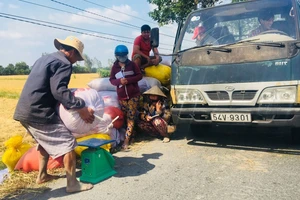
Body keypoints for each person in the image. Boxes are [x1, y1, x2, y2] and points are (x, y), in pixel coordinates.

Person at [13, 36, 94, 193]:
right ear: (71, 52)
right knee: (68, 144)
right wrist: (81, 107)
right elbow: (60, 91)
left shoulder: (45, 59)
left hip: (24, 110)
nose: (76, 61)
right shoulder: (64, 63)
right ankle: (72, 184)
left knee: (44, 142)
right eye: (77, 57)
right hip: (39, 112)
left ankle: (42, 175)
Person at [109, 45, 143, 151]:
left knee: (131, 117)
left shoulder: (132, 65)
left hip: (133, 95)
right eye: (120, 56)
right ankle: (132, 136)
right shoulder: (115, 67)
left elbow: (139, 76)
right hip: (122, 96)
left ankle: (126, 141)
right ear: (116, 56)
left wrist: (128, 80)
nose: (122, 57)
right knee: (124, 117)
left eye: (124, 55)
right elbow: (111, 80)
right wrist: (119, 82)